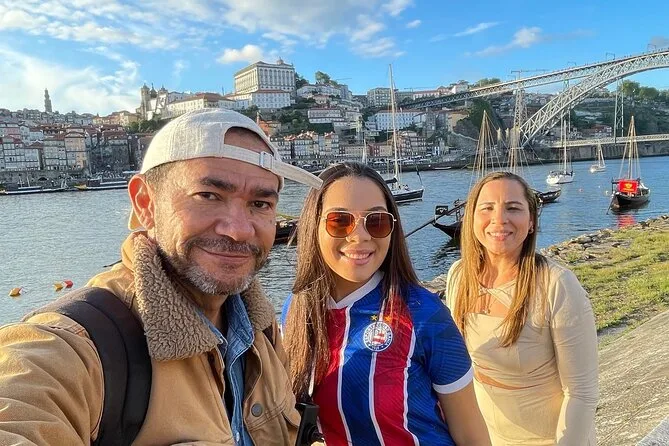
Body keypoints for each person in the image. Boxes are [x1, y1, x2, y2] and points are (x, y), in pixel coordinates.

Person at [0, 109, 323, 445]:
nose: (239, 230)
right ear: (145, 203)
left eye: (260, 204)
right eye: (208, 196)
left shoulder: (261, 332)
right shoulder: (76, 349)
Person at [282, 162, 491, 445]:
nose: (360, 236)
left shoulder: (424, 315)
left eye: (376, 221)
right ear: (313, 225)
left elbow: (471, 434)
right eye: (339, 221)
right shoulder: (296, 311)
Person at [444, 171, 598, 445]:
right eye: (487, 208)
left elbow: (581, 394)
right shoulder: (459, 276)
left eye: (513, 208)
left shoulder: (556, 285)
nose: (499, 219)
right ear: (471, 218)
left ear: (531, 222)